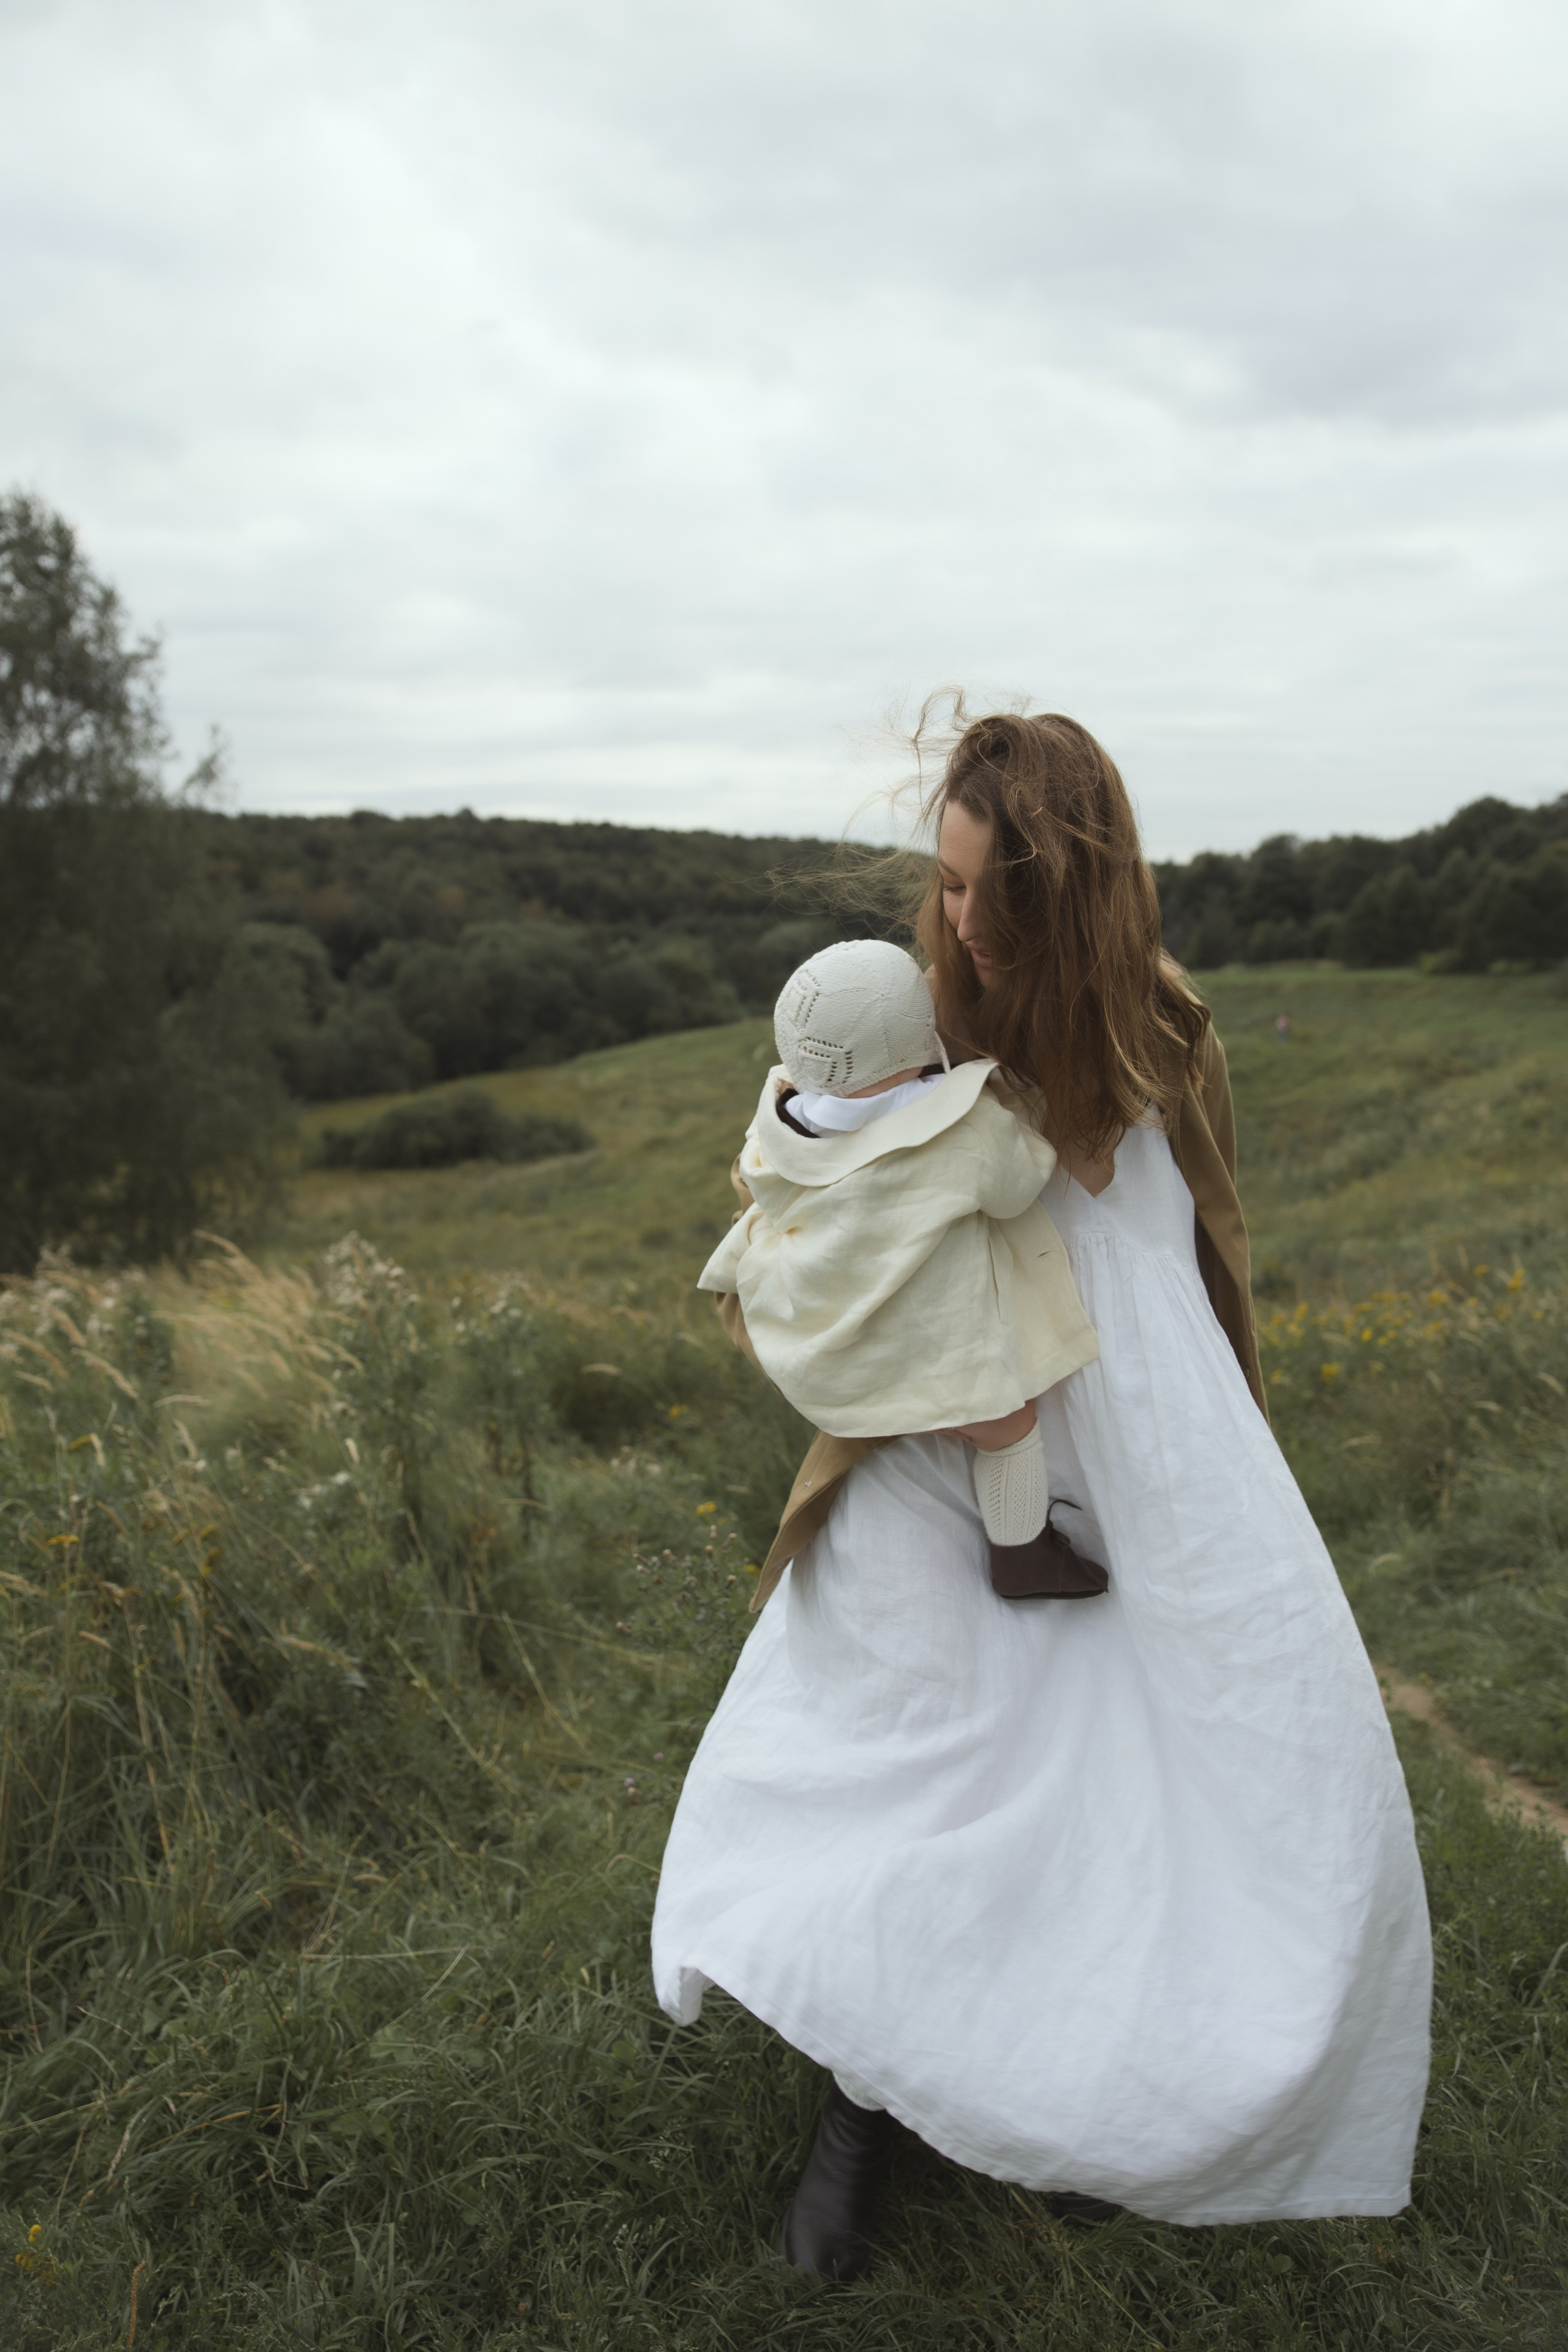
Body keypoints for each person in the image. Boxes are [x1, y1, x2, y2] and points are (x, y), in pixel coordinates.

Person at [650, 709, 1431, 2281]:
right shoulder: (914, 1016)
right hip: (953, 1439)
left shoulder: (1167, 1032)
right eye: (942, 888)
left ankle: (1088, 2081)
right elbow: (830, 1205)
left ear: (1068, 900)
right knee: (900, 1750)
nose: (956, 925)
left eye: (985, 899)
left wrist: (1225, 1473)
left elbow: (1199, 1247)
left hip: (1139, 1444)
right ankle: (866, 2106)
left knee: (1137, 1771)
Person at [696, 936, 1100, 1553]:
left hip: (825, 1328)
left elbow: (758, 1186)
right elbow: (1018, 1187)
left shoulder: (782, 1122)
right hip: (930, 1345)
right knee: (1009, 1426)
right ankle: (1024, 1552)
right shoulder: (960, 1127)